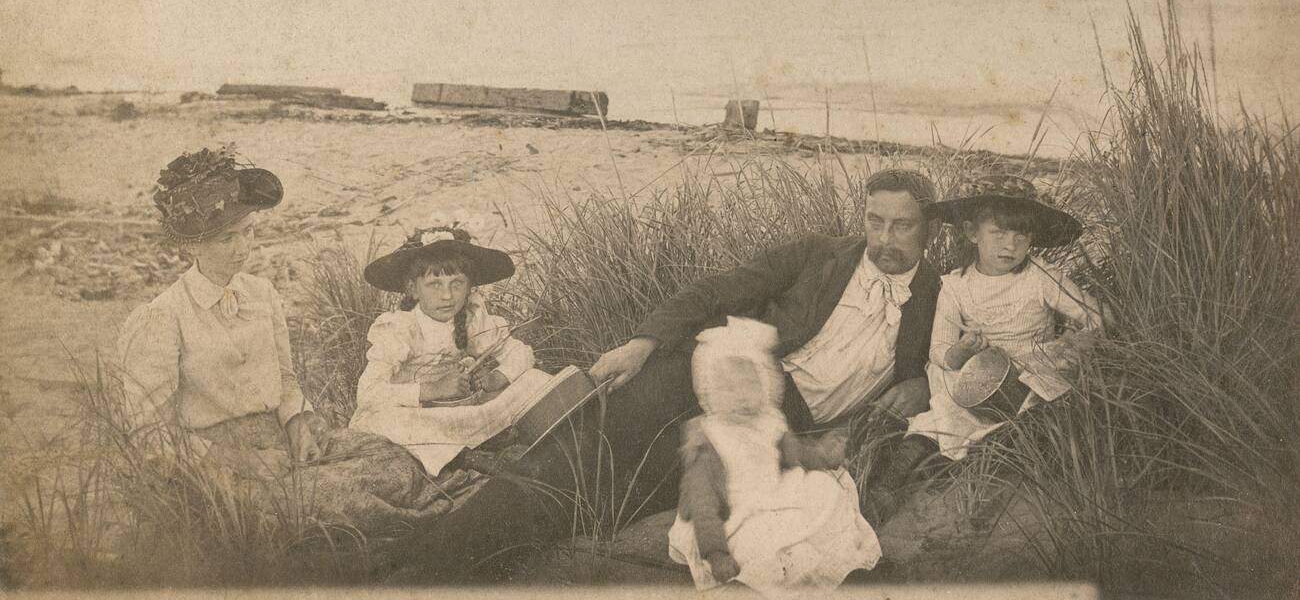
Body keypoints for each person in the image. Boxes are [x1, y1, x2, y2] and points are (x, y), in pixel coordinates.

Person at [391, 168, 943, 580]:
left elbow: (947, 370)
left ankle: (462, 572)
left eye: (902, 226)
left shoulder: (940, 296)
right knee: (582, 451)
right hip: (714, 366)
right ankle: (415, 570)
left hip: (771, 421)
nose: (886, 239)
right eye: (876, 221)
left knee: (626, 492)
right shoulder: (819, 254)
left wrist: (917, 381)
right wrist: (642, 343)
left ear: (929, 229)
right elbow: (714, 291)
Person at [117, 147, 457, 533]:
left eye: (248, 232)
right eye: (226, 239)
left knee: (394, 461)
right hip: (216, 463)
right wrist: (238, 460)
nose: (243, 248)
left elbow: (284, 379)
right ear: (192, 245)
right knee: (338, 499)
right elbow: (149, 431)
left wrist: (297, 423)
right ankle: (420, 535)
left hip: (279, 439)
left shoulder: (261, 294)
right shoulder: (162, 317)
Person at [668, 317, 881, 597]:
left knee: (825, 489)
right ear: (708, 391)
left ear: (766, 384)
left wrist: (823, 457)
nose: (741, 397)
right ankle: (757, 581)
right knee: (760, 545)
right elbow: (703, 505)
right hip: (732, 511)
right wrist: (716, 552)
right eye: (728, 388)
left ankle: (836, 566)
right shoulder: (709, 440)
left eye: (750, 385)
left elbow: (794, 453)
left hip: (774, 494)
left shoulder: (768, 421)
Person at [905, 174, 1104, 461]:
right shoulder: (955, 286)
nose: (1010, 245)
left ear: (1031, 238)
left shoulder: (1040, 277)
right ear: (972, 233)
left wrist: (1074, 342)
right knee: (946, 402)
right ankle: (918, 456)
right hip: (980, 379)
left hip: (1031, 370)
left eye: (1020, 236)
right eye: (998, 233)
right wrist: (960, 352)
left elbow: (1094, 314)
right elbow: (939, 352)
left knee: (1045, 395)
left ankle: (1006, 442)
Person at [351, 226, 554, 477]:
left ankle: (489, 440)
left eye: (456, 283)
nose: (447, 295)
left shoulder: (471, 319)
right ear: (413, 289)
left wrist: (496, 378)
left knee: (535, 379)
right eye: (434, 284)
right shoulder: (401, 329)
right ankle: (466, 457)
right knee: (380, 421)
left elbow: (520, 353)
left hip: (460, 413)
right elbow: (368, 393)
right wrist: (433, 389)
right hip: (420, 419)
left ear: (470, 287)